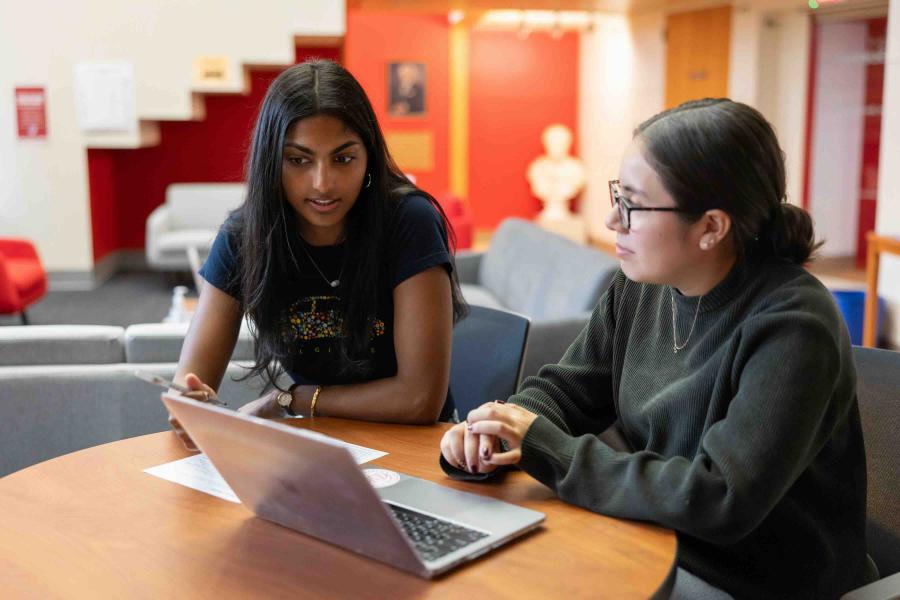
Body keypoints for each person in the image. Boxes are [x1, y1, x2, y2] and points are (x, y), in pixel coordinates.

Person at [440, 99, 874, 599]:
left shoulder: (794, 325)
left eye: (633, 204)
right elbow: (566, 391)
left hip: (751, 582)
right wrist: (497, 430)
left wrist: (542, 446)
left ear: (712, 226)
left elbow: (719, 498)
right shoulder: (641, 287)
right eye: (616, 195)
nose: (611, 221)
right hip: (651, 539)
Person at [169, 59, 466, 449]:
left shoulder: (409, 221)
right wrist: (190, 407)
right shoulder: (245, 236)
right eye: (298, 160)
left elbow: (419, 399)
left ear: (369, 158)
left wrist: (292, 398)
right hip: (312, 445)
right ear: (271, 162)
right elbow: (187, 389)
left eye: (343, 159)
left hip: (415, 445)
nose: (322, 183)